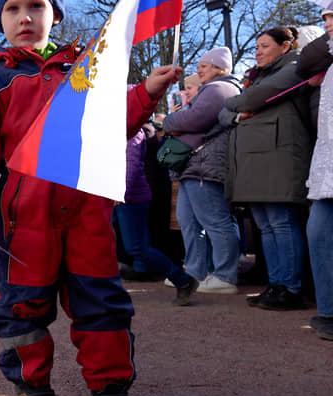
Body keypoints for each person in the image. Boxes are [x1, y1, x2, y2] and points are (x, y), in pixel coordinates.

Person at [0, 0, 181, 396]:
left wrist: (146, 93)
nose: (24, 17)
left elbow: (108, 123)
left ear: (54, 13)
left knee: (103, 307)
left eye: (36, 5)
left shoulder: (85, 70)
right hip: (22, 223)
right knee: (23, 310)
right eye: (12, 8)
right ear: (0, 19)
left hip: (87, 217)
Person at [220, 27, 312, 311]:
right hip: (256, 162)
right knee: (266, 226)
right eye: (256, 46)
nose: (257, 51)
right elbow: (224, 115)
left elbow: (244, 100)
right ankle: (276, 285)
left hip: (280, 159)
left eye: (264, 46)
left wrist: (235, 104)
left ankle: (291, 288)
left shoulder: (296, 66)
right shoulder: (257, 77)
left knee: (281, 223)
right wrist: (236, 114)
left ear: (285, 47)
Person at [162, 47, 242, 294]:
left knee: (214, 220)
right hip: (195, 165)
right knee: (189, 221)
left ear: (219, 68)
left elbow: (195, 118)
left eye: (205, 66)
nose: (199, 70)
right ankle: (196, 271)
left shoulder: (219, 88)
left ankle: (225, 276)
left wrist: (168, 122)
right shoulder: (213, 88)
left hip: (206, 165)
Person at [116, 121, 199, 305]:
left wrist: (121, 193)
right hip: (118, 196)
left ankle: (183, 280)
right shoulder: (117, 130)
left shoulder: (132, 133)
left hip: (129, 198)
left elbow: (131, 165)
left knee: (137, 248)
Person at [297, 7, 333, 340]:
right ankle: (329, 313)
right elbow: (306, 61)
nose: (327, 24)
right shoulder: (327, 57)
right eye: (324, 17)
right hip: (328, 165)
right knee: (318, 232)